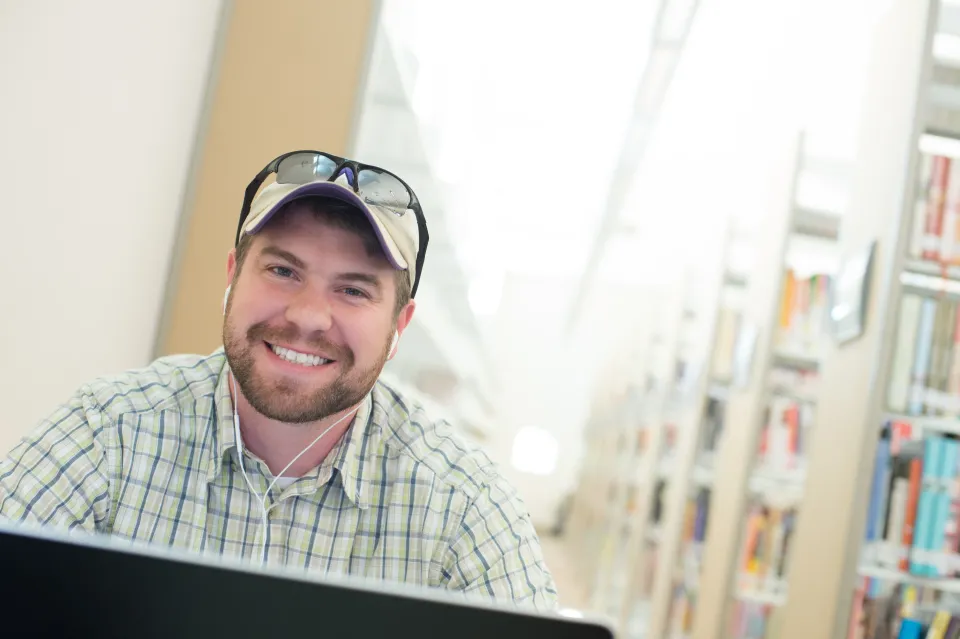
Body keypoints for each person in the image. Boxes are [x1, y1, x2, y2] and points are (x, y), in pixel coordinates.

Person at [0, 150, 558, 610]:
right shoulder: (111, 433)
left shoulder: (461, 503)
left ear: (398, 328)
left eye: (354, 290)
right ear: (232, 277)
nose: (308, 315)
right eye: (283, 270)